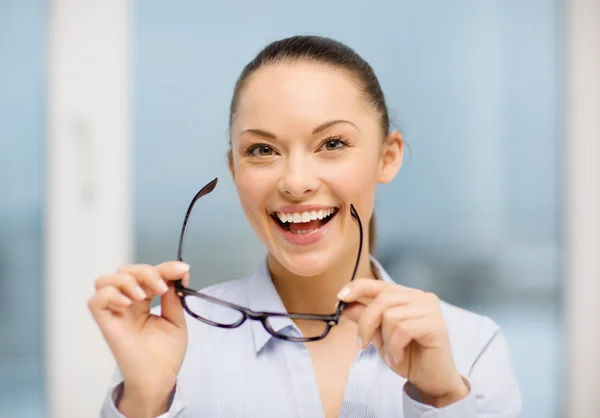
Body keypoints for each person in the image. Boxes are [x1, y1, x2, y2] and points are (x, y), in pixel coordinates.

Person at [90, 35, 521, 418]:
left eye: (332, 144)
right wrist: (144, 404)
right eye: (262, 149)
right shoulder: (173, 347)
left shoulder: (471, 348)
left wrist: (443, 400)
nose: (295, 182)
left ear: (387, 157)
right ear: (234, 168)